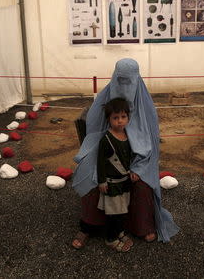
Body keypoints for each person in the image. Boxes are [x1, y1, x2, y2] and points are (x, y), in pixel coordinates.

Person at [71, 58, 179, 249]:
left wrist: (138, 165)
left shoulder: (145, 105)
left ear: (137, 79)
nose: (124, 86)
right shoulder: (104, 100)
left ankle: (141, 226)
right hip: (105, 152)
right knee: (89, 175)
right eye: (120, 80)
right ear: (114, 77)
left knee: (143, 183)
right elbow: (95, 134)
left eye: (128, 81)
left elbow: (151, 143)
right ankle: (89, 227)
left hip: (138, 158)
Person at [97, 98, 135, 252]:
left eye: (123, 117)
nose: (120, 121)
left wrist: (133, 171)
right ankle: (110, 238)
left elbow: (130, 158)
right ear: (109, 119)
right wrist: (101, 181)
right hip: (111, 184)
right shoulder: (106, 139)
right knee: (113, 214)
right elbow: (100, 162)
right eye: (115, 117)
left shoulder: (129, 135)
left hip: (125, 182)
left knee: (122, 211)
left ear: (128, 118)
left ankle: (119, 232)